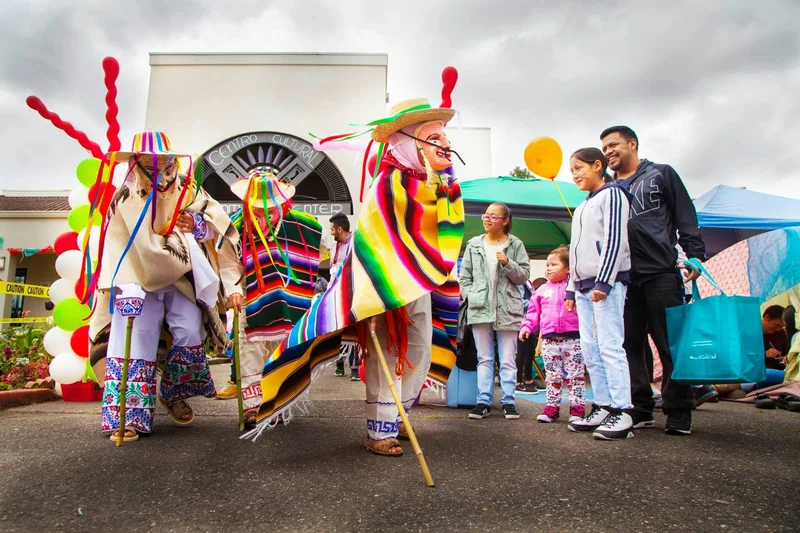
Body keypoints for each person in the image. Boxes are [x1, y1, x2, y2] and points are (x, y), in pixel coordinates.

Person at [242, 84, 465, 459]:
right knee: (388, 352)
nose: (444, 143)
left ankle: (399, 417)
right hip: (383, 285)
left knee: (422, 348)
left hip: (423, 282)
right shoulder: (389, 183)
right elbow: (379, 242)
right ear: (408, 142)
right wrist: (389, 277)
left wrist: (441, 199)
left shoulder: (444, 186)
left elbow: (444, 236)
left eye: (444, 136)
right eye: (434, 137)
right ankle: (378, 431)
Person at [93, 132, 239, 441]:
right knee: (136, 340)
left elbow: (218, 222)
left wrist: (196, 225)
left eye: (164, 160)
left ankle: (172, 393)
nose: (160, 167)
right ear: (137, 162)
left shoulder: (187, 187)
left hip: (180, 272)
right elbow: (115, 244)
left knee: (189, 331)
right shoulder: (124, 196)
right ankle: (128, 415)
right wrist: (123, 282)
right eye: (151, 161)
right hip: (137, 275)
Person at [601, 125, 706, 436]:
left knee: (669, 344)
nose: (608, 152)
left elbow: (686, 215)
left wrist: (695, 253)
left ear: (632, 144)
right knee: (629, 345)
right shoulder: (607, 187)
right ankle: (641, 407)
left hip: (660, 272)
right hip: (622, 279)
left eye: (613, 144)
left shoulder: (661, 174)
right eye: (604, 148)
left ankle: (678, 410)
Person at [215, 170, 322, 426]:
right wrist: (233, 289)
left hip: (288, 302)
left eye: (269, 210)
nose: (263, 216)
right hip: (250, 300)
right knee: (250, 349)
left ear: (281, 204)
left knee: (282, 351)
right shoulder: (235, 227)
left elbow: (310, 257)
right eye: (257, 211)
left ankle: (277, 400)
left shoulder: (304, 226)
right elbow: (228, 263)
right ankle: (253, 406)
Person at [564, 148, 634, 440]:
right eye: (572, 171)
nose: (576, 174)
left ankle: (623, 409)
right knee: (590, 349)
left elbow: (615, 239)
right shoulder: (582, 205)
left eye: (580, 167)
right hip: (581, 287)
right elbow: (574, 250)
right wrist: (570, 287)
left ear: (598, 165)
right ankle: (603, 405)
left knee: (610, 345)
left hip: (606, 284)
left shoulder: (614, 195)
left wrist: (604, 282)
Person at [461, 202, 531, 421]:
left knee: (508, 358)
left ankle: (508, 401)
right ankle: (483, 401)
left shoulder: (516, 244)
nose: (487, 218)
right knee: (484, 358)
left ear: (505, 220)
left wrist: (508, 262)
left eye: (493, 215)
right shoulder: (473, 244)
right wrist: (471, 296)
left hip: (508, 307)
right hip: (480, 306)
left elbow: (523, 277)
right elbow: (465, 278)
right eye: (485, 215)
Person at [519, 246, 583, 423]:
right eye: (547, 264)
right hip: (549, 339)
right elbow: (533, 313)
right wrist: (526, 327)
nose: (548, 268)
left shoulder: (575, 289)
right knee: (552, 375)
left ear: (568, 268)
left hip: (574, 339)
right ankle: (552, 408)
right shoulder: (541, 291)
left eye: (554, 264)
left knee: (575, 375)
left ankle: (577, 409)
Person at [714, 305, 790, 398]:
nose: (778, 329)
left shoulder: (781, 334)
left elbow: (787, 353)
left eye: (781, 327)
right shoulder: (749, 331)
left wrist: (785, 358)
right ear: (766, 318)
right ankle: (720, 390)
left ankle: (722, 391)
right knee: (759, 374)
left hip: (770, 371)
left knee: (764, 377)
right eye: (777, 325)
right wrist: (765, 354)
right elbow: (740, 355)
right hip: (750, 370)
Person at [328, 213, 359, 380]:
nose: (331, 232)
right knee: (337, 330)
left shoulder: (356, 243)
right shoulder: (334, 247)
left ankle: (354, 368)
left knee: (352, 330)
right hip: (334, 294)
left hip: (351, 293)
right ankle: (339, 364)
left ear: (340, 229)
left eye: (332, 229)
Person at [516, 277, 546, 394]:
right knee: (521, 353)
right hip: (521, 322)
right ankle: (517, 382)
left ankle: (529, 380)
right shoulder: (518, 281)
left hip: (532, 323)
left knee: (530, 353)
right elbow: (518, 301)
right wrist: (537, 302)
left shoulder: (528, 282)